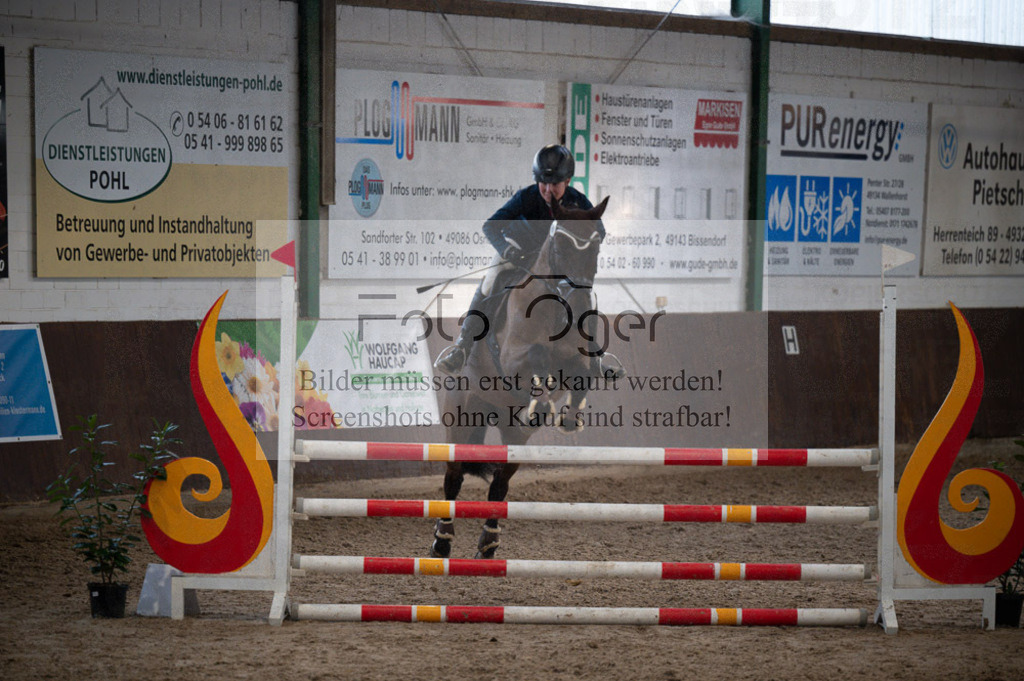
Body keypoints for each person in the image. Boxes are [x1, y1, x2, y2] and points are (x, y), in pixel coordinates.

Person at [433, 144, 624, 380]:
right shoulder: (526, 197)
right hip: (517, 252)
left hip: (555, 263)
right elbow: (490, 226)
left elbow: (599, 230)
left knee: (589, 295)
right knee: (489, 281)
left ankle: (594, 357)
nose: (547, 189)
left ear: (567, 181)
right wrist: (506, 249)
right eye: (542, 183)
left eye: (554, 184)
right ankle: (463, 347)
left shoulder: (578, 201)